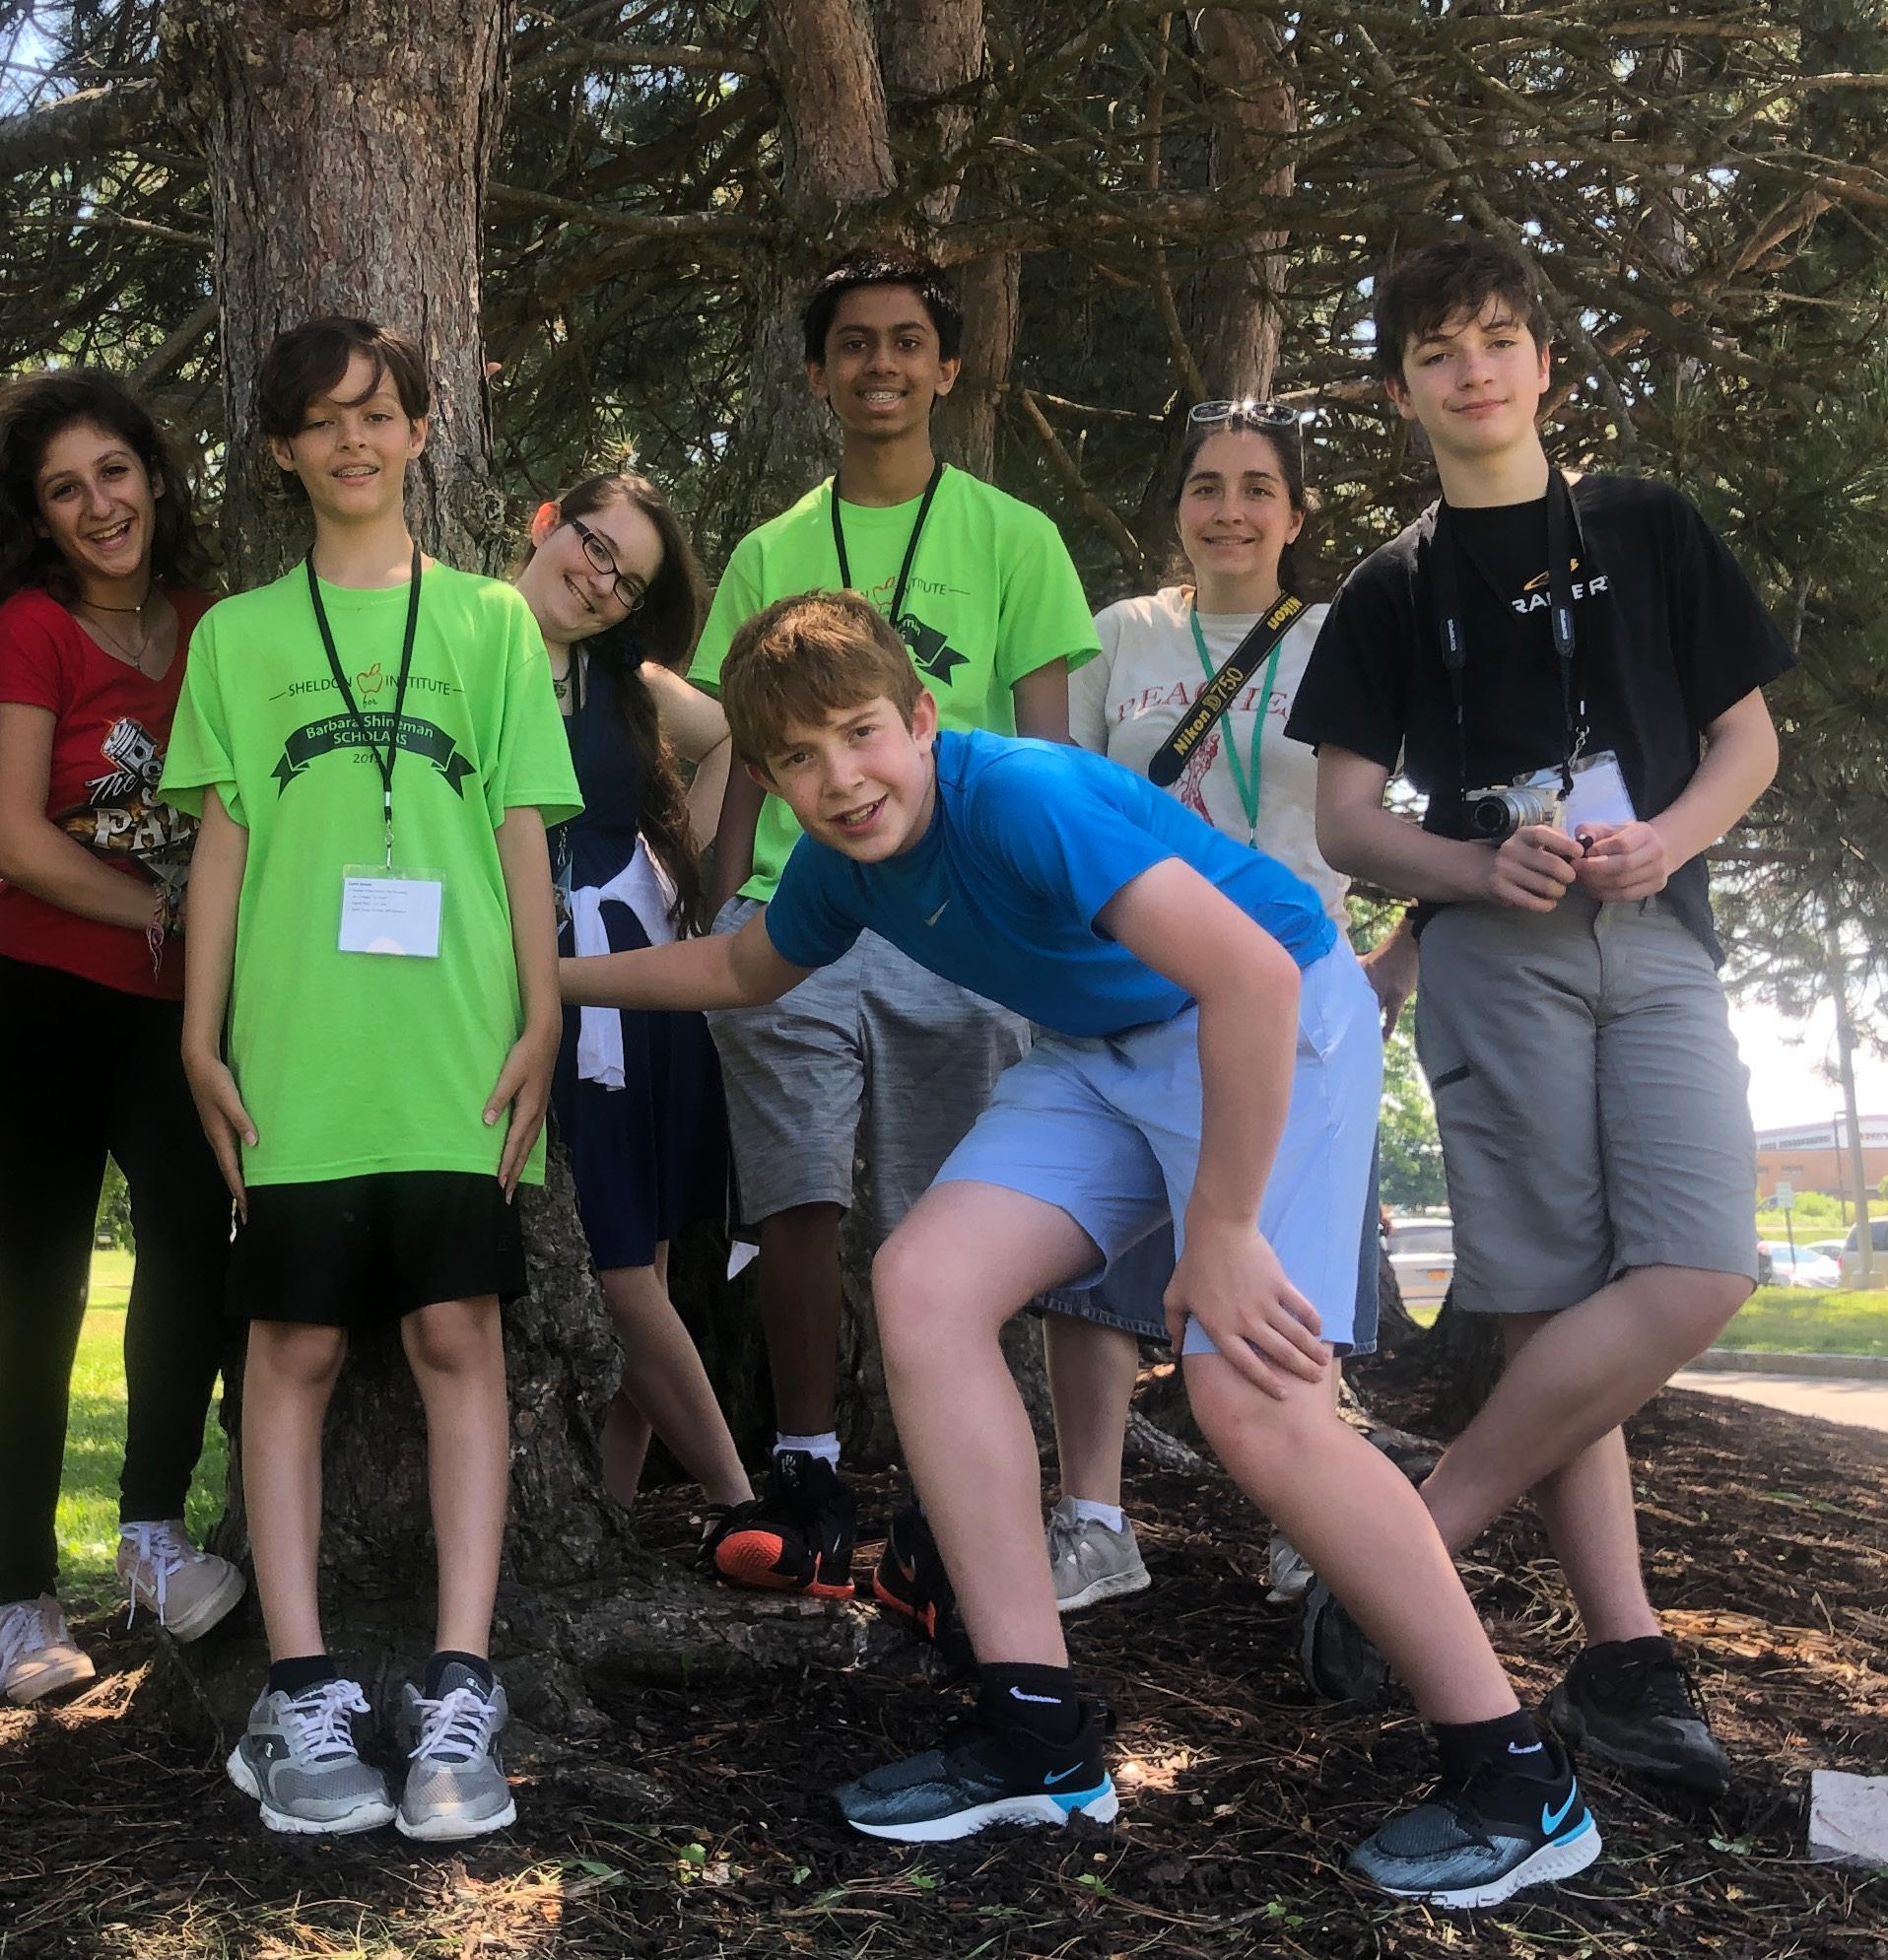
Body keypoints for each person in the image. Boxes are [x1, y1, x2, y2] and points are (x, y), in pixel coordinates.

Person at [563, 591, 1604, 1908]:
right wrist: (550, 985)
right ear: (765, 779)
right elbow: (740, 971)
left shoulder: (1025, 796)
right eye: (802, 761)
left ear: (924, 719)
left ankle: (1518, 1775)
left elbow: (1256, 980)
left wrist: (1219, 1231)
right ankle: (1036, 1733)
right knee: (926, 1285)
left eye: (863, 733)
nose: (843, 778)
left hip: (1267, 1026)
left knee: (1249, 1398)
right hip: (1105, 1056)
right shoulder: (838, 864)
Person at [1286, 234, 1787, 1794]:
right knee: (1558, 1302)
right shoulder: (1388, 586)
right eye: (1439, 351)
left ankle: (1413, 1533)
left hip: (1660, 933)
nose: (1475, 370)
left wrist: (1672, 838)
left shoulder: (1647, 527)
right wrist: (1471, 860)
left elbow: (1748, 741)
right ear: (1400, 388)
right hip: (1494, 952)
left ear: (1546, 363)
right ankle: (1627, 1663)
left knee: (1703, 1262)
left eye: (1500, 339)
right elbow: (1351, 821)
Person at [165, 317, 578, 1840]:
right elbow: (221, 845)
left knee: (458, 1334)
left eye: (380, 414)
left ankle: (464, 1680)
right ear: (281, 450)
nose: (354, 440)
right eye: (323, 421)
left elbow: (528, 828)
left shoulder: (486, 625)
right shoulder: (236, 638)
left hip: (458, 1056)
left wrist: (546, 1017)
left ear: (422, 435)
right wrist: (200, 1038)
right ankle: (301, 1687)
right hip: (297, 1063)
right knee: (295, 1353)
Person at [691, 246, 1095, 1599]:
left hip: (961, 916)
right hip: (796, 908)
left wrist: (1049, 907)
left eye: (906, 340)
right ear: (817, 373)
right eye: (853, 343)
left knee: (954, 1204)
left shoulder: (1013, 536)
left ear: (947, 366)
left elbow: (1051, 741)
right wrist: (713, 884)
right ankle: (806, 1468)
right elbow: (735, 752)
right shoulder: (768, 551)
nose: (880, 363)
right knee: (796, 1195)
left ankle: (948, 1494)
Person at [1038, 403, 1416, 1615]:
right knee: (1098, 1267)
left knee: (1295, 1260)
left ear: (1297, 516)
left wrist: (1397, 964)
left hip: (1300, 991)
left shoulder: (1340, 642)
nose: (1231, 510)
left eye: (1259, 488)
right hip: (1141, 984)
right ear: (1178, 510)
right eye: (1207, 486)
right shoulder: (1119, 635)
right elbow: (1065, 802)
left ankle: (1308, 1515)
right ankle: (1093, 1518)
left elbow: (1424, 818)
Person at [0, 371, 245, 1702]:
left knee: (192, 1239)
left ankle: (153, 1533)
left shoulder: (215, 627)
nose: (98, 503)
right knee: (41, 1284)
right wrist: (167, 912)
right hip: (45, 995)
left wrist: (206, 950)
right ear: (41, 516)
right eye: (66, 488)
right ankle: (21, 1604)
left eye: (114, 473)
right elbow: (11, 840)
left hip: (180, 1006)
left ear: (156, 476)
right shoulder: (31, 628)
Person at [510, 473, 752, 1521]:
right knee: (618, 1266)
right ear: (545, 521)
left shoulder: (622, 679)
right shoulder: (465, 647)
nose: (603, 582)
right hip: (538, 983)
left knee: (637, 1258)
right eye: (595, 546)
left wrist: (697, 865)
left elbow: (741, 736)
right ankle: (743, 1501)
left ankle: (613, 1511)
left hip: (637, 980)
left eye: (629, 578)